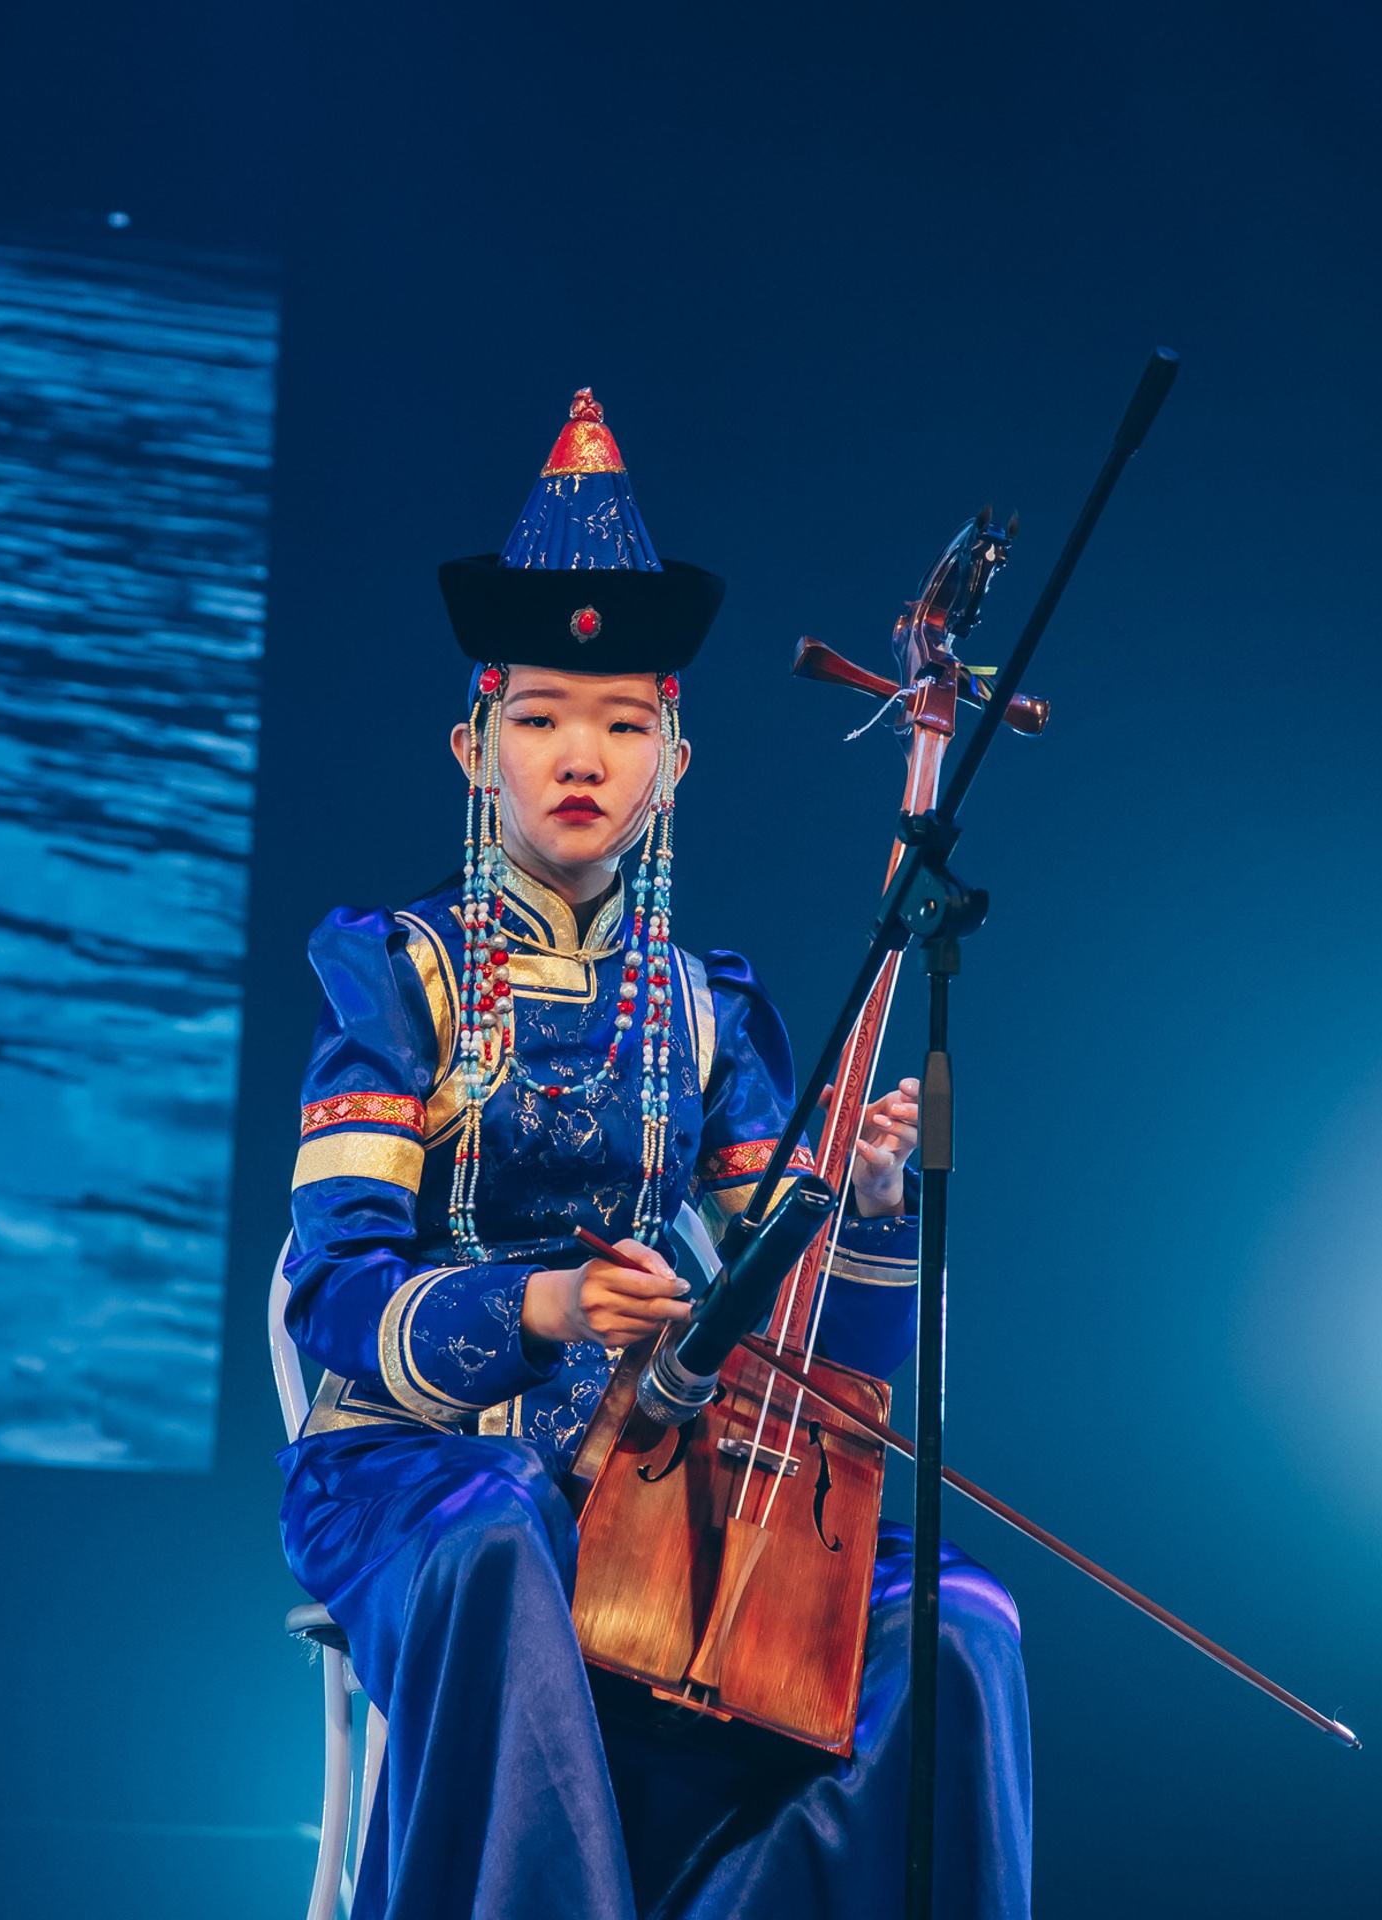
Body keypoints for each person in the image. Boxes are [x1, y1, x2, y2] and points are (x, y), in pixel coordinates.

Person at [278, 390, 1032, 1919]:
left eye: (624, 725)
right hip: (417, 1469)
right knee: (499, 1537)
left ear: (673, 763)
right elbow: (332, 1295)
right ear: (475, 748)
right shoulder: (397, 976)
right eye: (542, 718)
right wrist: (543, 1308)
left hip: (653, 1468)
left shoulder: (706, 1009)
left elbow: (804, 1353)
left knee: (963, 1618)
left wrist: (866, 1208)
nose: (583, 755)